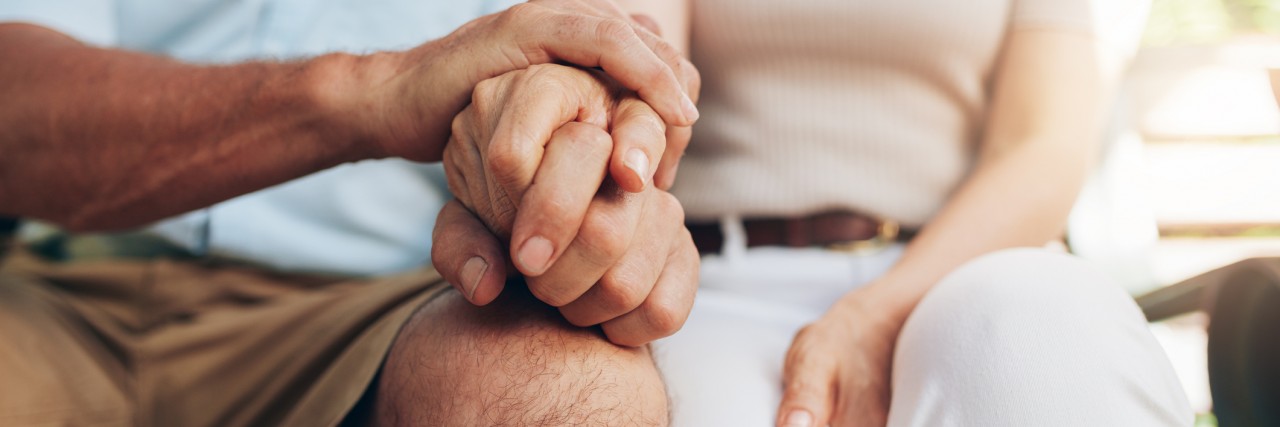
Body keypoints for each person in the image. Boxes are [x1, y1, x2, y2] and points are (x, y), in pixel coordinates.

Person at [438, 0, 1198, 426]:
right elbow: (635, 47)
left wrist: (873, 316)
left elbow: (1042, 149)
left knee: (1048, 351)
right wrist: (608, 128)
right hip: (710, 288)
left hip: (963, 264)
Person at [0, 1, 701, 425]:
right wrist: (375, 94)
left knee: (563, 395)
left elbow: (615, 75)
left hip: (394, 306)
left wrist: (564, 159)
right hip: (64, 295)